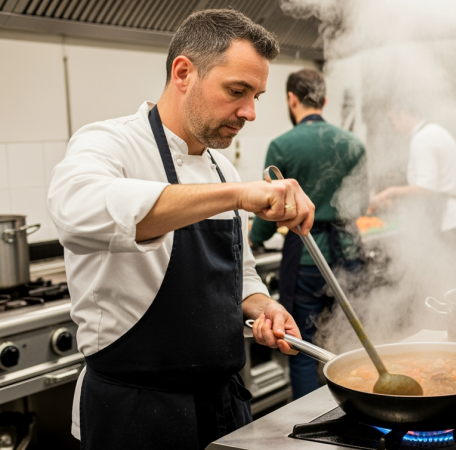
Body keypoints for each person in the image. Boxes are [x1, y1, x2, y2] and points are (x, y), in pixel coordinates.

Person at [47, 10, 316, 449]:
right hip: (133, 413)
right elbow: (76, 212)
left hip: (223, 407)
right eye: (236, 91)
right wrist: (238, 195)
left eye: (257, 96)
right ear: (183, 72)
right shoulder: (108, 143)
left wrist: (262, 304)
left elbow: (240, 273)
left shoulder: (220, 166)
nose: (249, 111)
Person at [249, 69, 367, 400]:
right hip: (348, 254)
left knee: (302, 346)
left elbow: (267, 213)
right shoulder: (354, 143)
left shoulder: (283, 146)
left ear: (291, 99)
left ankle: (307, 421)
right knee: (350, 343)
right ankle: (359, 409)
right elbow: (362, 203)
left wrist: (253, 240)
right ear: (324, 101)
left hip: (305, 259)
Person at [368, 105, 456, 233]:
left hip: (442, 222)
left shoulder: (422, 138)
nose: (392, 126)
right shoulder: (435, 131)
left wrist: (388, 193)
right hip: (451, 219)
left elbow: (426, 188)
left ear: (403, 114)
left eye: (392, 120)